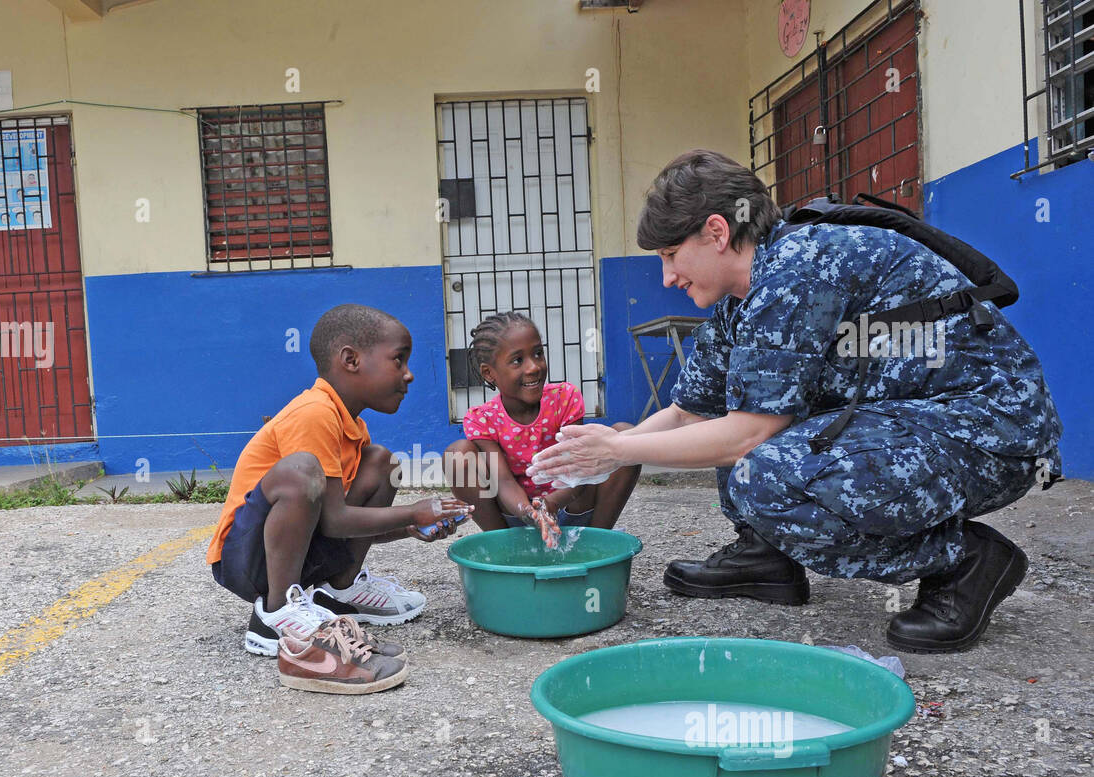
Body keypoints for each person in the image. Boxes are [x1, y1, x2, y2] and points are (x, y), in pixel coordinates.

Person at [531, 149, 1063, 654]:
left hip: (989, 429)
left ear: (716, 231)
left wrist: (619, 453)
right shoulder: (743, 298)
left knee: (763, 469)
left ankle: (965, 562)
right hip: (915, 424)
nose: (667, 276)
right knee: (741, 417)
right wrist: (597, 453)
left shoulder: (798, 270)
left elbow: (748, 435)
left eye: (671, 255)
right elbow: (692, 411)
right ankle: (768, 556)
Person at [206, 303, 472, 658]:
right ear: (351, 360)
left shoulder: (352, 426)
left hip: (299, 554)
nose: (409, 374)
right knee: (301, 469)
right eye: (399, 360)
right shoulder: (313, 413)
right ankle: (275, 615)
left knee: (380, 463)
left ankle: (339, 590)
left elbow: (333, 523)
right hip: (246, 560)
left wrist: (410, 527)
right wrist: (413, 512)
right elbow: (336, 519)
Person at [444, 312, 641, 546]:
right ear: (489, 373)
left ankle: (596, 544)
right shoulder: (483, 419)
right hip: (517, 516)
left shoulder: (564, 399)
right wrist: (531, 512)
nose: (534, 367)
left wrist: (551, 503)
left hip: (572, 504)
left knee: (626, 436)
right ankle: (505, 547)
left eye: (538, 353)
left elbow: (578, 468)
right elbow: (503, 482)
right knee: (457, 455)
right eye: (518, 360)